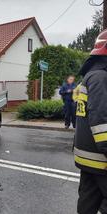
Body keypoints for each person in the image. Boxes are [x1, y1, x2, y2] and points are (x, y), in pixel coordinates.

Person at [74, 29, 107, 214]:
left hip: (87, 158)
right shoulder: (101, 78)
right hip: (100, 159)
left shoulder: (88, 77)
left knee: (87, 204)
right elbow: (101, 122)